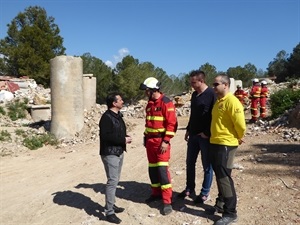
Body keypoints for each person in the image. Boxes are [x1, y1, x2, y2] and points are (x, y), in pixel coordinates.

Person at [209, 74, 246, 225]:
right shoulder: (218, 102)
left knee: (224, 178)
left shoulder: (232, 101)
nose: (214, 87)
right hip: (216, 142)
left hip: (226, 144)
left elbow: (240, 125)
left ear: (225, 85)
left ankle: (230, 213)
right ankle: (221, 203)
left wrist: (238, 137)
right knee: (220, 175)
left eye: (216, 84)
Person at [139, 77, 177, 216]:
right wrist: (145, 136)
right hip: (150, 142)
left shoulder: (166, 102)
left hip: (161, 142)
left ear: (153, 90)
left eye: (146, 90)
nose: (145, 93)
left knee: (162, 170)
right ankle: (156, 193)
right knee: (153, 169)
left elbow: (172, 124)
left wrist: (166, 141)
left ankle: (167, 201)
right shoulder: (149, 104)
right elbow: (148, 123)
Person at [177, 70, 216, 204]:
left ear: (201, 81)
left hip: (205, 137)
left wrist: (207, 133)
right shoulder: (194, 95)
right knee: (189, 163)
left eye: (193, 82)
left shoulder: (211, 94)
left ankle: (205, 193)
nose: (192, 85)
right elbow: (193, 114)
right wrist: (188, 129)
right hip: (193, 135)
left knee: (207, 166)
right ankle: (189, 188)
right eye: (191, 82)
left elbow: (214, 116)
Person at [99, 92, 132, 224]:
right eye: (120, 100)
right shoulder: (106, 117)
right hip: (110, 153)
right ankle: (109, 212)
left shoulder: (118, 116)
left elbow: (117, 132)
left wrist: (125, 138)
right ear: (114, 103)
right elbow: (106, 136)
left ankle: (111, 205)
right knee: (112, 181)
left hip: (118, 151)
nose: (122, 101)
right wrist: (123, 139)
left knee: (115, 180)